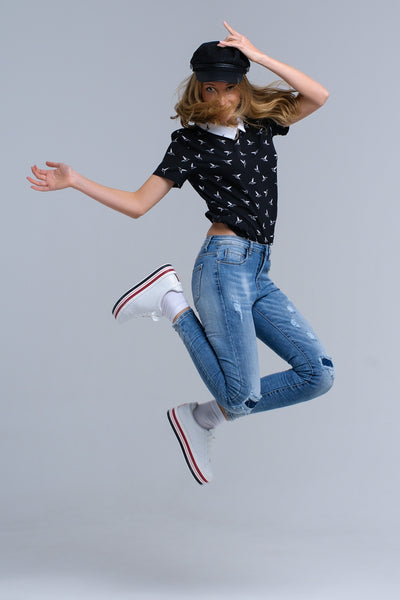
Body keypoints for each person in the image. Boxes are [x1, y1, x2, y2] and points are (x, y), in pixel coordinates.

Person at [27, 22, 335, 485]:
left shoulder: (261, 125)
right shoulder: (189, 144)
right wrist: (76, 181)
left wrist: (258, 53)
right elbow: (137, 204)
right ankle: (170, 300)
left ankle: (202, 418)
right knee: (240, 394)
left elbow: (318, 95)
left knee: (317, 375)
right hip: (222, 265)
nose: (220, 96)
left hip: (257, 270)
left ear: (241, 85)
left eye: (229, 87)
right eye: (210, 87)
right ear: (199, 87)